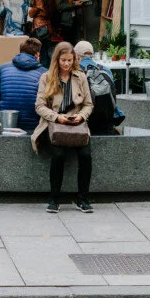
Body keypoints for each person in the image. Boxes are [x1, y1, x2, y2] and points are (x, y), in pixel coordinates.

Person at [31, 41, 94, 214]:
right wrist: (57, 117)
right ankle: (54, 198)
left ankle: (83, 199)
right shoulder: (46, 77)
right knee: (58, 155)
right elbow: (39, 106)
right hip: (55, 124)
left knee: (86, 156)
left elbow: (88, 104)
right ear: (57, 60)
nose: (66, 64)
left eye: (69, 60)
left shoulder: (80, 77)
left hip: (77, 124)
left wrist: (81, 116)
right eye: (63, 60)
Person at [0, 37, 44, 132]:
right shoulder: (44, 72)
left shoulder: (2, 68)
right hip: (33, 122)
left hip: (7, 119)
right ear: (37, 55)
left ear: (20, 52)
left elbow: (0, 96)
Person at [28, 0, 58, 64]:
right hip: (48, 28)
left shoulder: (38, 0)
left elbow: (31, 14)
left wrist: (36, 8)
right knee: (46, 51)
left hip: (39, 28)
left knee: (38, 52)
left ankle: (41, 72)